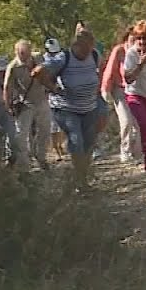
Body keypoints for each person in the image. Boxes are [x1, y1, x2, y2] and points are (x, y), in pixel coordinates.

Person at [33, 29, 105, 188]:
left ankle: (83, 176)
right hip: (66, 108)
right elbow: (37, 72)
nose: (88, 52)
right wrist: (54, 88)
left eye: (90, 47)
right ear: (77, 45)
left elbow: (101, 68)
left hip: (89, 106)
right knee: (76, 140)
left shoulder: (94, 55)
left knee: (88, 144)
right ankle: (81, 181)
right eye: (85, 48)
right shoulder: (62, 58)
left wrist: (97, 88)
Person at [122, 20, 146, 175]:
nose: (142, 42)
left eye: (145, 39)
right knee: (145, 125)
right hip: (135, 95)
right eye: (139, 39)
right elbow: (128, 78)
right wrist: (140, 64)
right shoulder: (132, 53)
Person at [5, 39, 50, 171]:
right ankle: (24, 164)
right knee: (21, 135)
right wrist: (8, 106)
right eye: (21, 53)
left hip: (42, 100)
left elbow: (49, 71)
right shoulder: (13, 67)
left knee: (45, 131)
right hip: (25, 103)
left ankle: (41, 156)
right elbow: (7, 87)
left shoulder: (38, 58)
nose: (24, 56)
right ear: (16, 52)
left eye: (26, 53)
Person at [102, 27, 141, 166]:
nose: (135, 41)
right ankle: (125, 151)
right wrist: (105, 89)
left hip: (137, 91)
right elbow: (110, 69)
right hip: (120, 89)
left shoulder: (141, 50)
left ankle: (137, 152)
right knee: (126, 121)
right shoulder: (119, 50)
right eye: (132, 38)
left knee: (138, 122)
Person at [41, 38, 67, 158]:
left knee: (62, 123)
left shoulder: (62, 58)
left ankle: (60, 145)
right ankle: (55, 148)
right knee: (52, 124)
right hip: (48, 95)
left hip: (61, 94)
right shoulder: (42, 61)